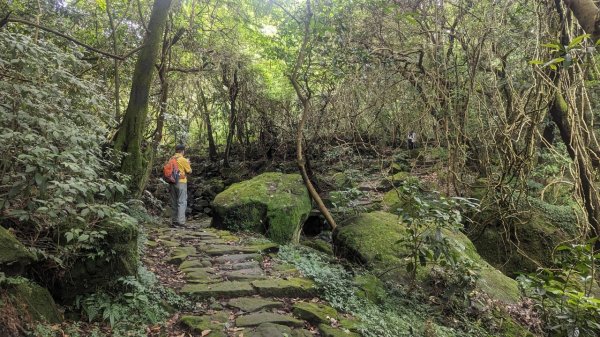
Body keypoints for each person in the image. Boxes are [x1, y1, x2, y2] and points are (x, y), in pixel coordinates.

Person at [169, 144, 192, 227]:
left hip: (172, 182)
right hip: (181, 182)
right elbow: (189, 171)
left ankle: (174, 221)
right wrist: (188, 163)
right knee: (182, 201)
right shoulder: (183, 159)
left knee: (174, 201)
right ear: (182, 151)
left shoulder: (171, 159)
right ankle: (181, 222)